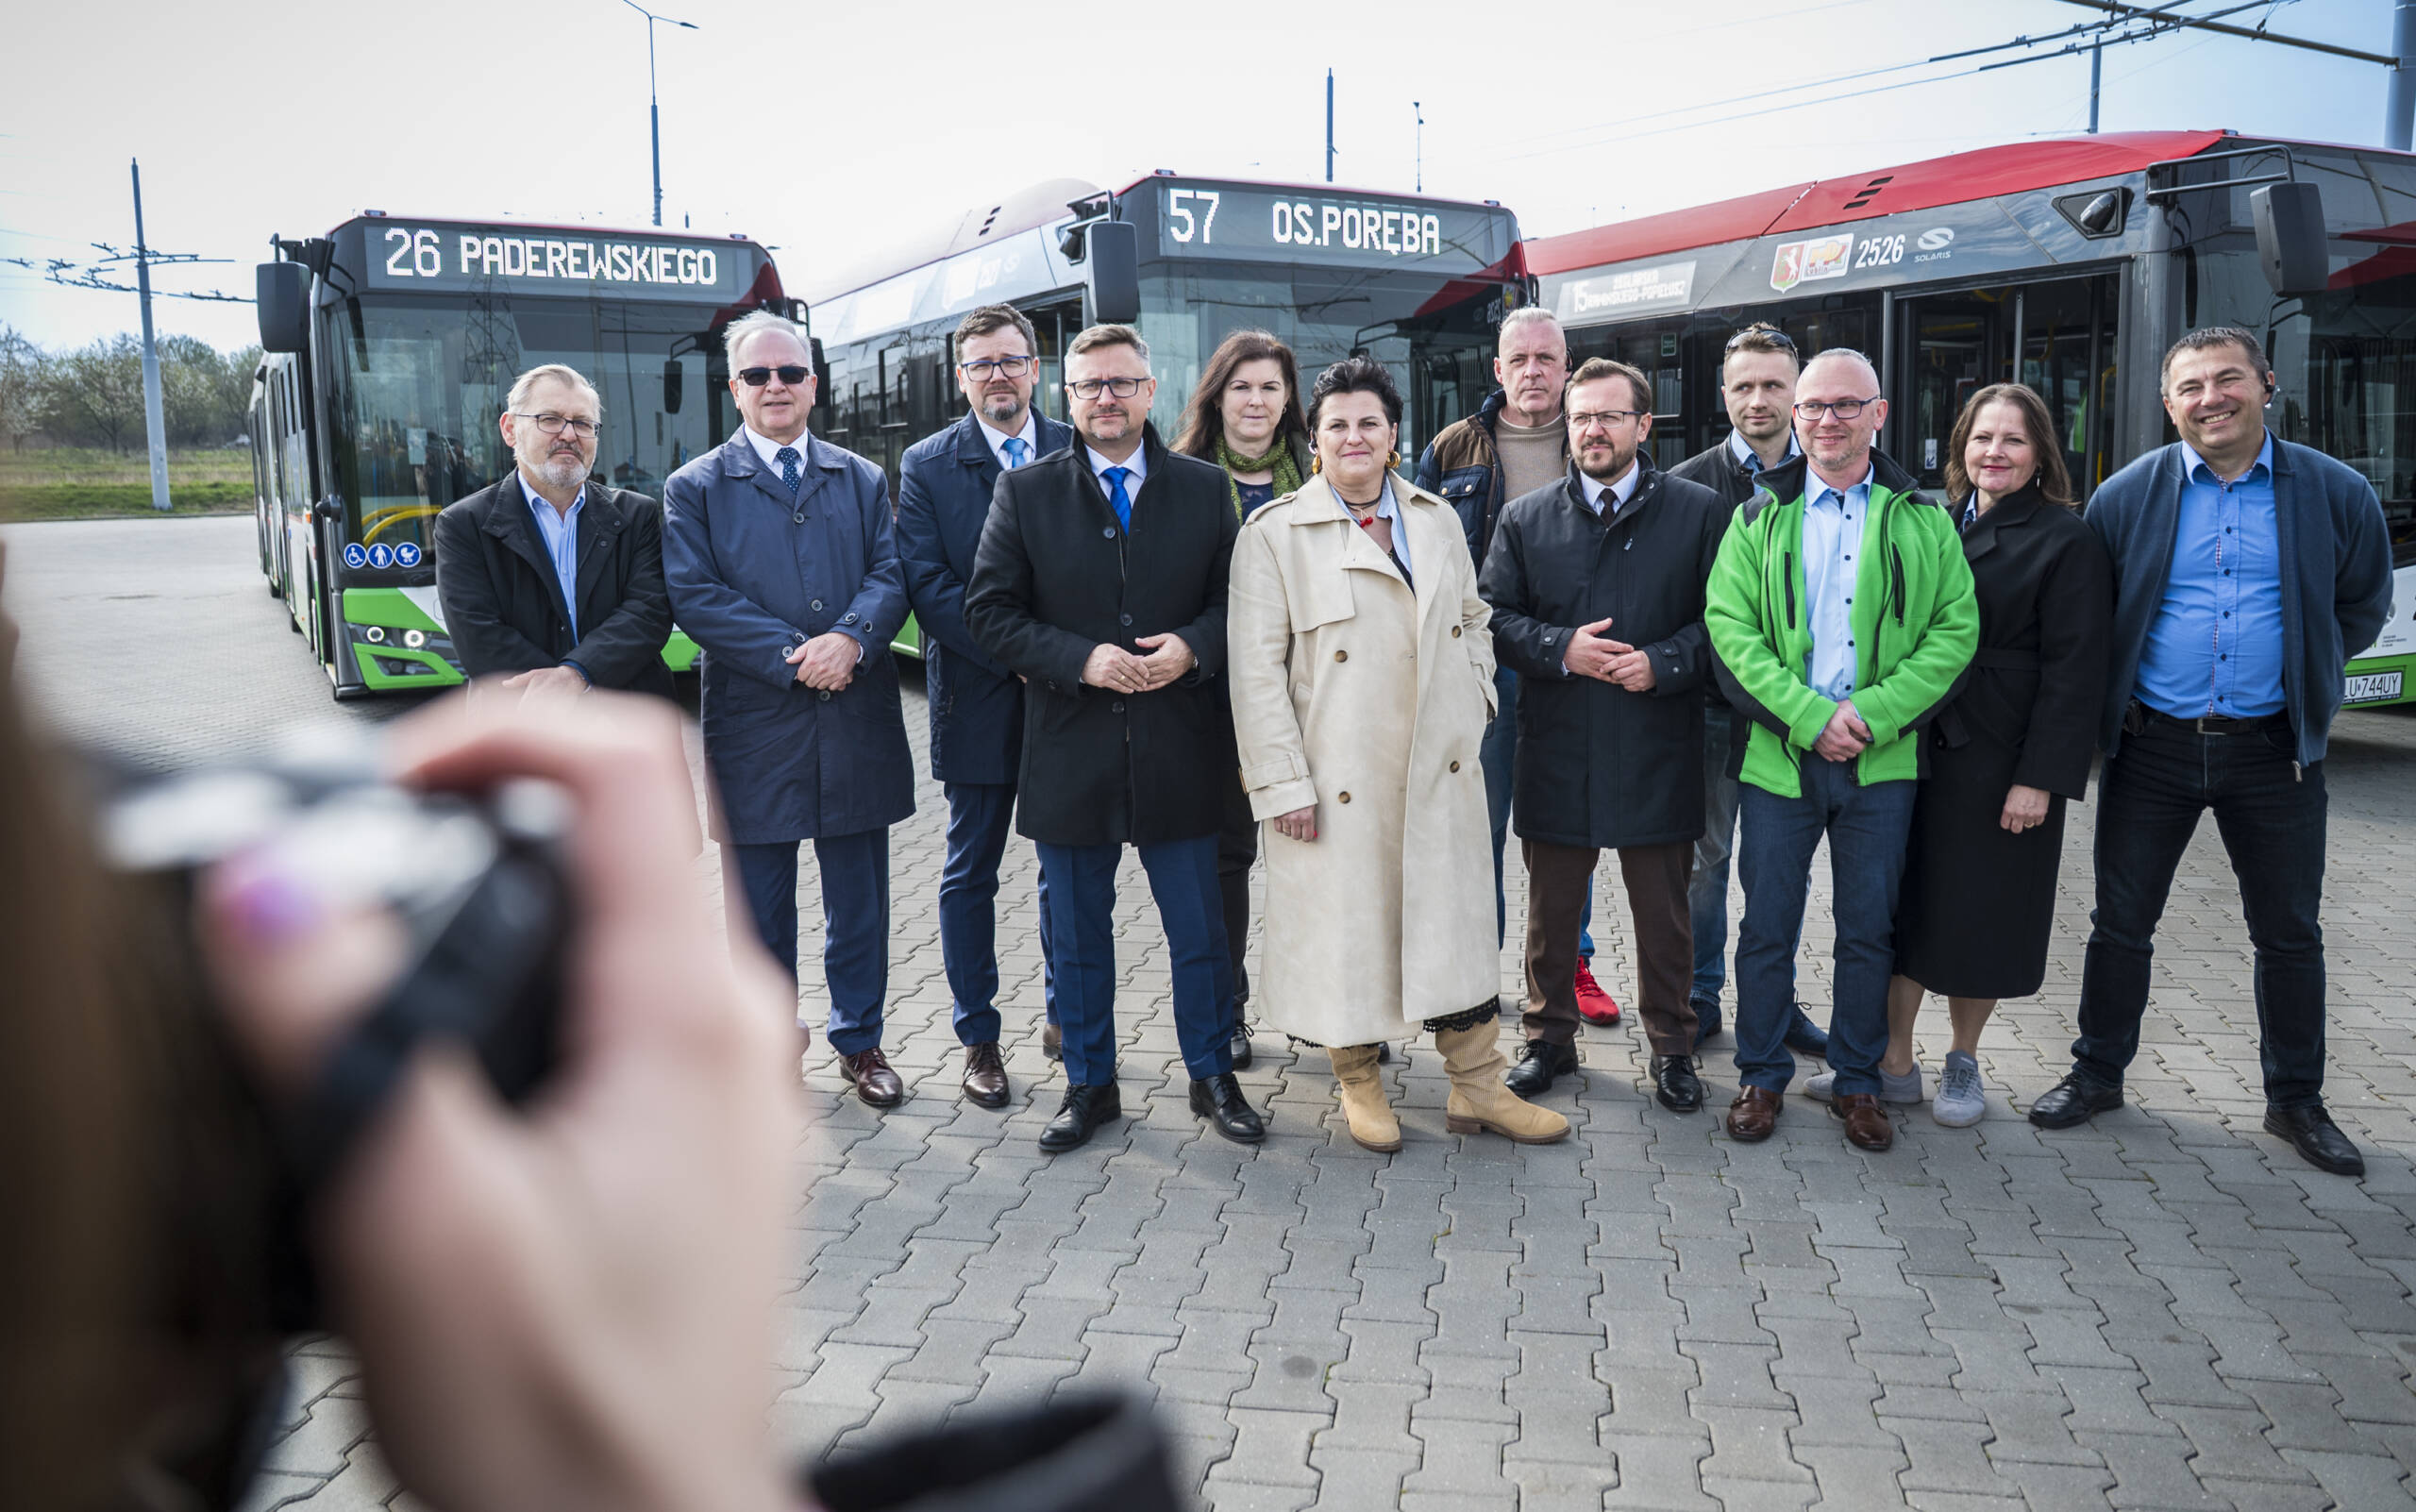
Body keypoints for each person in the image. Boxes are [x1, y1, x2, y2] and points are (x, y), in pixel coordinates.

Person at [2030, 327, 2395, 1177]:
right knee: (2121, 925)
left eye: (2228, 379)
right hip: (2151, 745)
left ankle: (2296, 1099)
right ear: (2170, 405)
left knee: (2290, 934)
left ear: (2266, 384)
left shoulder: (2334, 492)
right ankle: (2097, 1074)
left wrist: (2309, 675)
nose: (2211, 399)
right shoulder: (2127, 495)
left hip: (2274, 752)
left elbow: (2362, 604)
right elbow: (2093, 614)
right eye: (2190, 388)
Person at [1227, 356, 1568, 1151]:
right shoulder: (1275, 533)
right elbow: (1255, 675)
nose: (1354, 437)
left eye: (1369, 424)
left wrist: (1475, 697)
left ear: (1392, 436)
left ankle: (1477, 1086)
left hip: (1438, 766)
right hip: (1336, 777)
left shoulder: (1436, 517)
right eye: (1337, 425)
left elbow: (1475, 616)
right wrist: (1282, 786)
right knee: (1350, 928)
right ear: (1315, 440)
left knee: (1452, 927)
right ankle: (1359, 1080)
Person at [964, 324, 1264, 1153]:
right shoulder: (1024, 491)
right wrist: (1081, 659)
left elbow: (1236, 602)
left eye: (1122, 383)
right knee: (1078, 938)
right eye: (1090, 385)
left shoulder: (1204, 487)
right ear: (1067, 395)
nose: (1106, 398)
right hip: (1071, 751)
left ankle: (1212, 1074)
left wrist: (1192, 648)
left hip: (1182, 748)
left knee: (1199, 933)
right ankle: (1090, 1085)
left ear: (1150, 391)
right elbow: (989, 612)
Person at [1704, 347, 1977, 1152]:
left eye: (1846, 405)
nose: (1828, 420)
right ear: (1796, 418)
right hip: (1780, 761)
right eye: (1815, 406)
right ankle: (1761, 1074)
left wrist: (1871, 715)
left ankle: (1859, 1082)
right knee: (1767, 927)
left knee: (1868, 930)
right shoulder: (1757, 516)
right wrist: (1808, 717)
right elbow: (1730, 629)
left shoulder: (1923, 519)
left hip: (1881, 763)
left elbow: (1954, 633)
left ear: (1879, 414)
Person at [1838, 383, 2112, 1127]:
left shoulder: (2067, 538)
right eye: (1982, 438)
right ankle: (1895, 1060)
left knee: (1982, 914)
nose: (1995, 452)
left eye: (2014, 440)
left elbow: (2076, 672)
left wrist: (2039, 780)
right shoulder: (1931, 518)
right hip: (1913, 746)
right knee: (1903, 907)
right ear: (1960, 446)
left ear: (2041, 453)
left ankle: (1963, 1059)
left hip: (2001, 760)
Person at [663, 311, 915, 1109]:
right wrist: (796, 656)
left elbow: (892, 571)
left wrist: (852, 639)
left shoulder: (862, 477)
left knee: (859, 902)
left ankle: (861, 1042)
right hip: (754, 724)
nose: (776, 386)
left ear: (813, 383)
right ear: (733, 387)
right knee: (760, 907)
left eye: (791, 372)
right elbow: (695, 597)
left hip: (854, 716)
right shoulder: (694, 487)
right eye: (758, 374)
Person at [1480, 358, 1727, 1111]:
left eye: (1610, 416)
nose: (1593, 430)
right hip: (1559, 745)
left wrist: (1664, 661)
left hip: (1659, 743)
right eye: (1582, 416)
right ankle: (1547, 1040)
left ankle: (1674, 1049)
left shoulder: (1699, 512)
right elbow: (1491, 618)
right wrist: (1563, 649)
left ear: (1643, 425)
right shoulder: (1526, 519)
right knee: (1552, 915)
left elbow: (1727, 624)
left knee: (1665, 917)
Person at [1414, 308, 1617, 1025]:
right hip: (1483, 666)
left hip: (1570, 663)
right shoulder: (1452, 448)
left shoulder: (1594, 437)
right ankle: (1476, 975)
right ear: (1498, 370)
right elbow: (1419, 553)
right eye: (1520, 359)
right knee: (1480, 829)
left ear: (1567, 368)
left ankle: (1572, 965)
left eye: (1546, 358)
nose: (1533, 371)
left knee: (1566, 830)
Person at [897, 305, 1074, 1105]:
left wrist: (1063, 662)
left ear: (1035, 369)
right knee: (971, 870)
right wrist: (1022, 656)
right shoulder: (928, 465)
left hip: (1067, 699)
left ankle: (1069, 1016)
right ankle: (978, 1037)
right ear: (962, 377)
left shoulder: (1077, 446)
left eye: (1010, 361)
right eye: (981, 364)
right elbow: (930, 587)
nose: (997, 376)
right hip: (976, 697)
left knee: (1067, 868)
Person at [1667, 326, 1828, 1061]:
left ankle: (1775, 1002)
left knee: (1777, 870)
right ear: (1724, 394)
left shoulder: (1831, 474)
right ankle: (1700, 996)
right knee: (1705, 864)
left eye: (1773, 385)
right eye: (1743, 386)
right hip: (1709, 712)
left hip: (1791, 716)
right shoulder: (1688, 484)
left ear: (1796, 392)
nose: (1757, 399)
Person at [1173, 328, 1314, 1071]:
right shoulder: (1181, 478)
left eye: (1269, 387)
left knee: (1317, 855)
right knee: (1226, 862)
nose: (1255, 401)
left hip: (1313, 700)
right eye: (1241, 387)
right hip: (1213, 703)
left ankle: (1327, 1007)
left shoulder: (1323, 475)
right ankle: (1227, 1010)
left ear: (1288, 399)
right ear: (1217, 397)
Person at [433, 363, 674, 701]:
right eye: (550, 419)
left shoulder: (636, 514)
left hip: (630, 717)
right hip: (521, 720)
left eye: (583, 423)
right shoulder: (462, 525)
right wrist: (561, 693)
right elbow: (478, 636)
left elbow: (648, 613)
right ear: (510, 429)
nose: (569, 435)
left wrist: (578, 675)